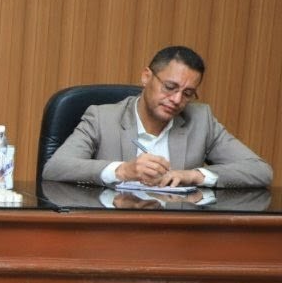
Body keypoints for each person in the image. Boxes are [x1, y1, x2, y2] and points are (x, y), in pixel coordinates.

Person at [42, 46, 272, 188]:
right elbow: (55, 168)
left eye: (187, 93)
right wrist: (122, 171)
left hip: (177, 235)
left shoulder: (201, 121)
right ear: (146, 77)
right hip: (113, 233)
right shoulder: (102, 118)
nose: (176, 99)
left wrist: (194, 175)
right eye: (170, 87)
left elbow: (259, 170)